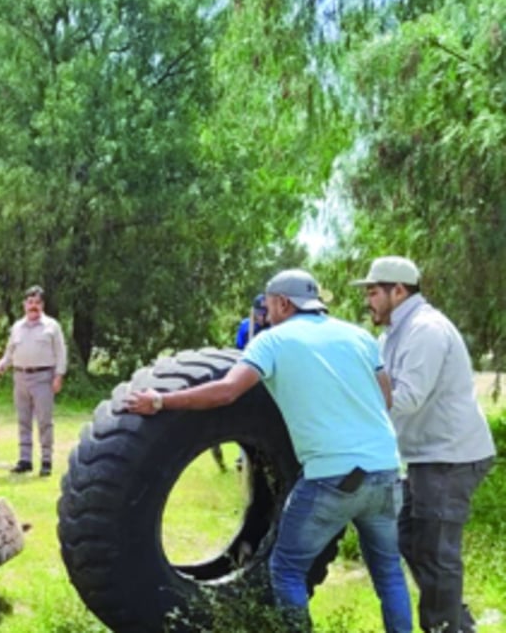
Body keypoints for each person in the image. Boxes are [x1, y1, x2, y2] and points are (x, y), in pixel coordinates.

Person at [125, 269, 412, 633]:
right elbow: (384, 399)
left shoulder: (274, 341)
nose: (266, 313)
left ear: (282, 303)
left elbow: (227, 391)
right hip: (387, 471)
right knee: (388, 573)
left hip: (333, 477)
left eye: (268, 305)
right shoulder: (360, 337)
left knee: (286, 569)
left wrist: (161, 400)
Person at [353, 256, 496, 633]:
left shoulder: (426, 330)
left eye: (372, 291)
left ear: (397, 291)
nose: (367, 300)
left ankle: (445, 628)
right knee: (409, 542)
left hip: (450, 457)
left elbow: (407, 398)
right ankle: (457, 623)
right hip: (424, 457)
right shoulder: (392, 334)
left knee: (436, 553)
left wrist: (356, 411)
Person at [0, 285, 67, 477]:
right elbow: (9, 353)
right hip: (20, 377)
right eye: (30, 302)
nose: (34, 306)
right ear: (25, 304)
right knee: (23, 420)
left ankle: (46, 460)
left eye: (37, 303)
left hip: (43, 377)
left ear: (43, 305)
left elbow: (61, 353)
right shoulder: (17, 327)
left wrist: (59, 375)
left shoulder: (52, 326)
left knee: (44, 421)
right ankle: (25, 460)